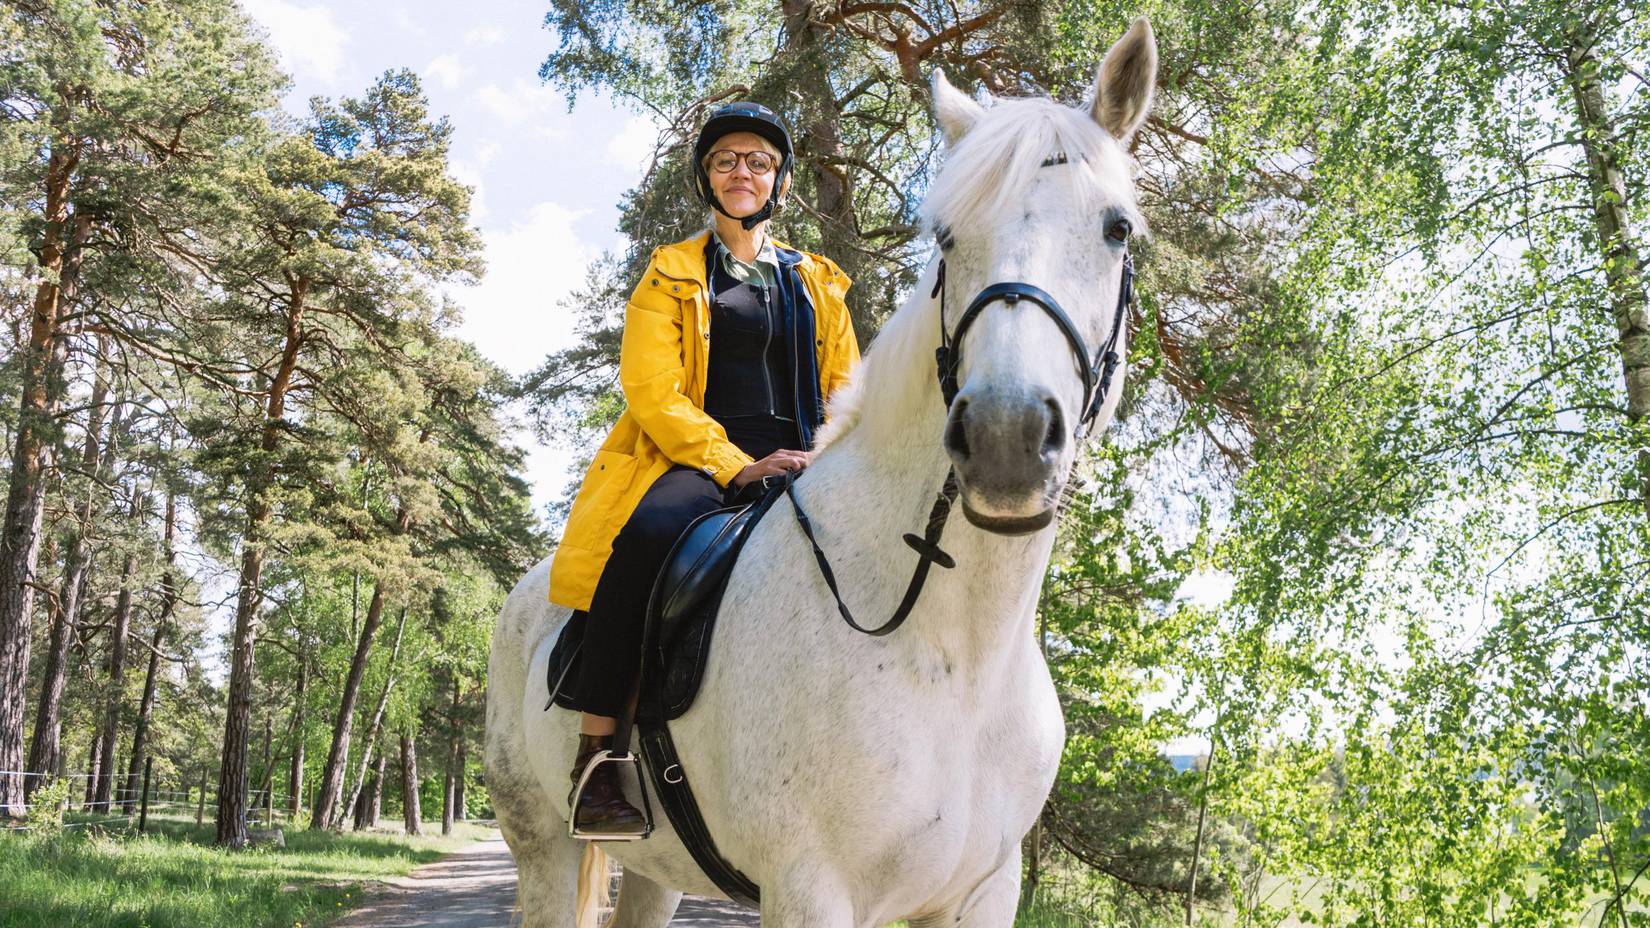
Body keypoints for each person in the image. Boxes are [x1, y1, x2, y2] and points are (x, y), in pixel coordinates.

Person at [546, 102, 861, 836]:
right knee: (645, 538)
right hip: (702, 458)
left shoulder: (818, 282)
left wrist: (833, 451)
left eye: (757, 161)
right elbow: (653, 391)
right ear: (707, 178)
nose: (742, 172)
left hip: (811, 457)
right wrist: (737, 465)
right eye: (726, 161)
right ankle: (597, 761)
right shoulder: (670, 274)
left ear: (778, 180)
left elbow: (848, 386)